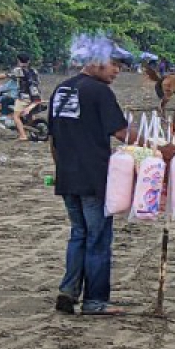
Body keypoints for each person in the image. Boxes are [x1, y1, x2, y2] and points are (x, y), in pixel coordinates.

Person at [48, 39, 137, 316]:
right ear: (97, 61)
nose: (117, 71)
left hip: (67, 175)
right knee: (97, 238)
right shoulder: (99, 92)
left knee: (78, 235)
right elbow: (122, 132)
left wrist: (61, 167)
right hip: (94, 177)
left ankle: (68, 290)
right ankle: (95, 301)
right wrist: (162, 148)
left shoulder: (61, 89)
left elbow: (52, 138)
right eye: (114, 64)